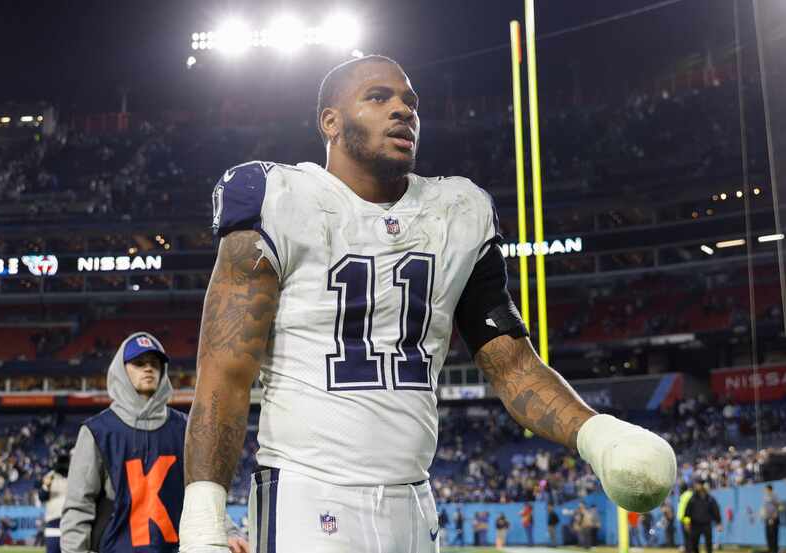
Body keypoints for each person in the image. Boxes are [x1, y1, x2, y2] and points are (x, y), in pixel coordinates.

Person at [178, 54, 677, 552]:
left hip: (414, 501)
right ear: (330, 121)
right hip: (306, 493)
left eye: (410, 102)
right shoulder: (276, 197)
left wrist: (601, 437)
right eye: (379, 97)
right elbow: (225, 371)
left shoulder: (457, 212)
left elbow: (513, 367)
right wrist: (205, 517)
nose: (403, 110)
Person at [62, 333, 249, 553]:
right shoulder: (98, 432)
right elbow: (78, 507)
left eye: (155, 363)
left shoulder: (184, 428)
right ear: (121, 371)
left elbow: (202, 494)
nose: (148, 369)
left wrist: (229, 532)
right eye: (139, 363)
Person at [39, 451, 69, 553]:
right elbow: (42, 496)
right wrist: (46, 485)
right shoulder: (50, 476)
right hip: (54, 522)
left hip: (71, 521)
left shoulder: (75, 475)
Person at [684, 480, 722, 553]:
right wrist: (686, 523)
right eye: (696, 485)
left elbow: (716, 511)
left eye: (698, 485)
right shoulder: (692, 499)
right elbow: (687, 512)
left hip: (706, 524)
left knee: (709, 543)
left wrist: (718, 523)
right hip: (695, 525)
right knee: (694, 544)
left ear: (702, 486)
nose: (696, 486)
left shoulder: (710, 499)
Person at [762, 484, 780, 553]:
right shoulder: (765, 497)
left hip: (774, 517)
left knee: (774, 534)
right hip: (767, 517)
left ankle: (775, 550)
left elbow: (777, 505)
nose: (765, 490)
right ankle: (770, 549)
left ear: (770, 489)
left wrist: (774, 515)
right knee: (768, 534)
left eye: (766, 489)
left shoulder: (774, 495)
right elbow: (765, 507)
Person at [678, 484, 694, 553]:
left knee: (688, 538)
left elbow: (688, 510)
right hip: (684, 520)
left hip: (686, 520)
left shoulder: (686, 496)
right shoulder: (687, 495)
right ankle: (687, 549)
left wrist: (687, 521)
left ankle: (688, 550)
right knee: (687, 538)